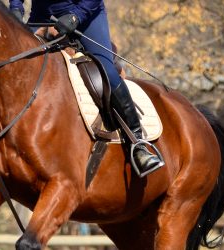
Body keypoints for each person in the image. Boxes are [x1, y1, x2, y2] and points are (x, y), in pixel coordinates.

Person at [9, 0, 163, 175]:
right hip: (42, 18)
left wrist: (76, 16)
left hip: (85, 16)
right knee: (10, 62)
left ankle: (138, 143)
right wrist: (15, 8)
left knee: (108, 74)